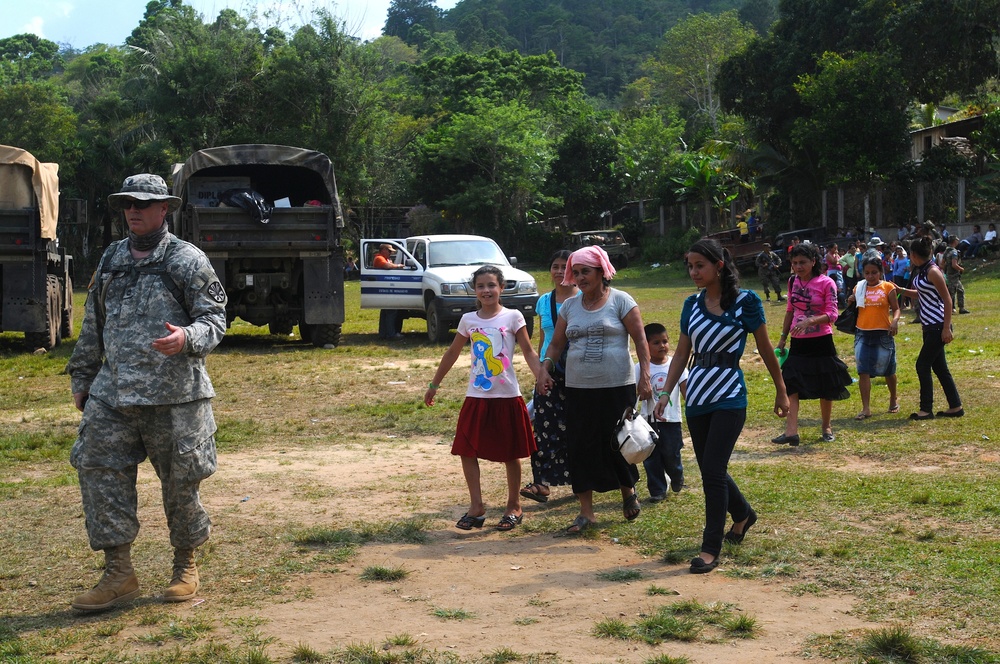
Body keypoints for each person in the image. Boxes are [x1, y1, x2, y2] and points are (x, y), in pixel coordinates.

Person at [66, 174, 227, 611]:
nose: (133, 210)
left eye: (143, 203)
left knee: (181, 485)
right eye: (126, 203)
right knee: (100, 473)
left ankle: (185, 565)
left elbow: (215, 319)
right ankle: (119, 573)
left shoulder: (187, 260)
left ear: (164, 209)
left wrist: (187, 338)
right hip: (113, 396)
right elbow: (93, 324)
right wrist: (83, 379)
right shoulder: (113, 257)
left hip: (175, 397)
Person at [653, 239, 789, 574]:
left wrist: (781, 391)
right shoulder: (691, 304)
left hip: (729, 395)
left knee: (713, 470)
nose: (693, 272)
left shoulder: (747, 301)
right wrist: (666, 393)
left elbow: (767, 349)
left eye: (700, 265)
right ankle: (743, 514)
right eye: (690, 265)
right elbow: (682, 353)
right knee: (711, 467)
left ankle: (710, 547)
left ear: (719, 266)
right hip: (696, 395)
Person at [536, 246, 652, 534]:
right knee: (581, 446)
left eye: (585, 271)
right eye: (575, 273)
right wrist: (544, 369)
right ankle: (586, 512)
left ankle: (628, 493)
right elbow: (556, 344)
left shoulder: (621, 301)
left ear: (602, 271)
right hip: (578, 388)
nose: (579, 277)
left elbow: (640, 341)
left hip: (617, 386)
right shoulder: (570, 307)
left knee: (619, 442)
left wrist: (646, 376)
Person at [424, 265, 541, 531]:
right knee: (466, 449)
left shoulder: (513, 317)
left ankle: (514, 506)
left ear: (501, 287)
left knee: (511, 452)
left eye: (491, 285)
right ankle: (476, 507)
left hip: (507, 395)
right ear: (474, 290)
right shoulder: (468, 320)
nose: (486, 291)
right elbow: (452, 353)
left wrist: (541, 378)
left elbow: (529, 351)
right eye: (481, 286)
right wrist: (434, 384)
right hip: (476, 396)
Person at [772, 242, 852, 445]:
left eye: (803, 262)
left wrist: (811, 320)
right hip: (798, 342)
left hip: (821, 341)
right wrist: (782, 338)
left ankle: (826, 427)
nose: (798, 267)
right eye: (795, 263)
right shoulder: (792, 282)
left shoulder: (827, 283)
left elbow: (833, 314)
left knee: (825, 385)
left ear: (813, 262)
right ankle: (791, 432)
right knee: (790, 382)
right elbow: (790, 310)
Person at [521, 250, 577, 503]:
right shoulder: (544, 301)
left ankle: (581, 480)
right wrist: (540, 371)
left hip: (578, 373)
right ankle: (541, 483)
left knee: (576, 428)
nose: (558, 271)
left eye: (564, 266)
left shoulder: (583, 300)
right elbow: (543, 340)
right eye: (555, 266)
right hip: (548, 372)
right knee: (543, 427)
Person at [899, 238, 964, 420]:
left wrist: (946, 328)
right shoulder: (922, 271)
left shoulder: (933, 271)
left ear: (912, 255)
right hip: (929, 326)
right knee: (940, 368)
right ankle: (955, 406)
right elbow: (922, 293)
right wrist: (900, 290)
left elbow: (948, 299)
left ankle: (926, 409)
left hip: (938, 325)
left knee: (922, 365)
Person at [638, 323, 687, 502]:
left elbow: (685, 388)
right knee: (651, 457)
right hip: (648, 421)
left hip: (672, 420)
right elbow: (635, 393)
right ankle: (657, 490)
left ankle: (676, 474)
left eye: (665, 341)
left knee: (671, 453)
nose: (662, 346)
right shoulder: (641, 369)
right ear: (645, 345)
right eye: (656, 342)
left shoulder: (676, 365)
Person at [847, 257, 901, 419]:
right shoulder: (859, 288)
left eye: (874, 273)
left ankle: (893, 398)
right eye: (867, 273)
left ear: (881, 272)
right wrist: (850, 301)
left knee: (888, 370)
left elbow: (896, 309)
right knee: (862, 371)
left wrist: (895, 321)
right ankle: (866, 408)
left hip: (883, 334)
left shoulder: (888, 287)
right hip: (862, 334)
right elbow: (854, 308)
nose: (870, 276)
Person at [373, 244, 406, 339]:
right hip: (385, 288)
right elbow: (387, 266)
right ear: (383, 250)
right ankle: (391, 334)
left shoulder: (383, 258)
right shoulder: (379, 258)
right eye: (389, 251)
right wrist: (398, 266)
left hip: (385, 288)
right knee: (391, 311)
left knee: (386, 312)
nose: (391, 253)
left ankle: (383, 333)